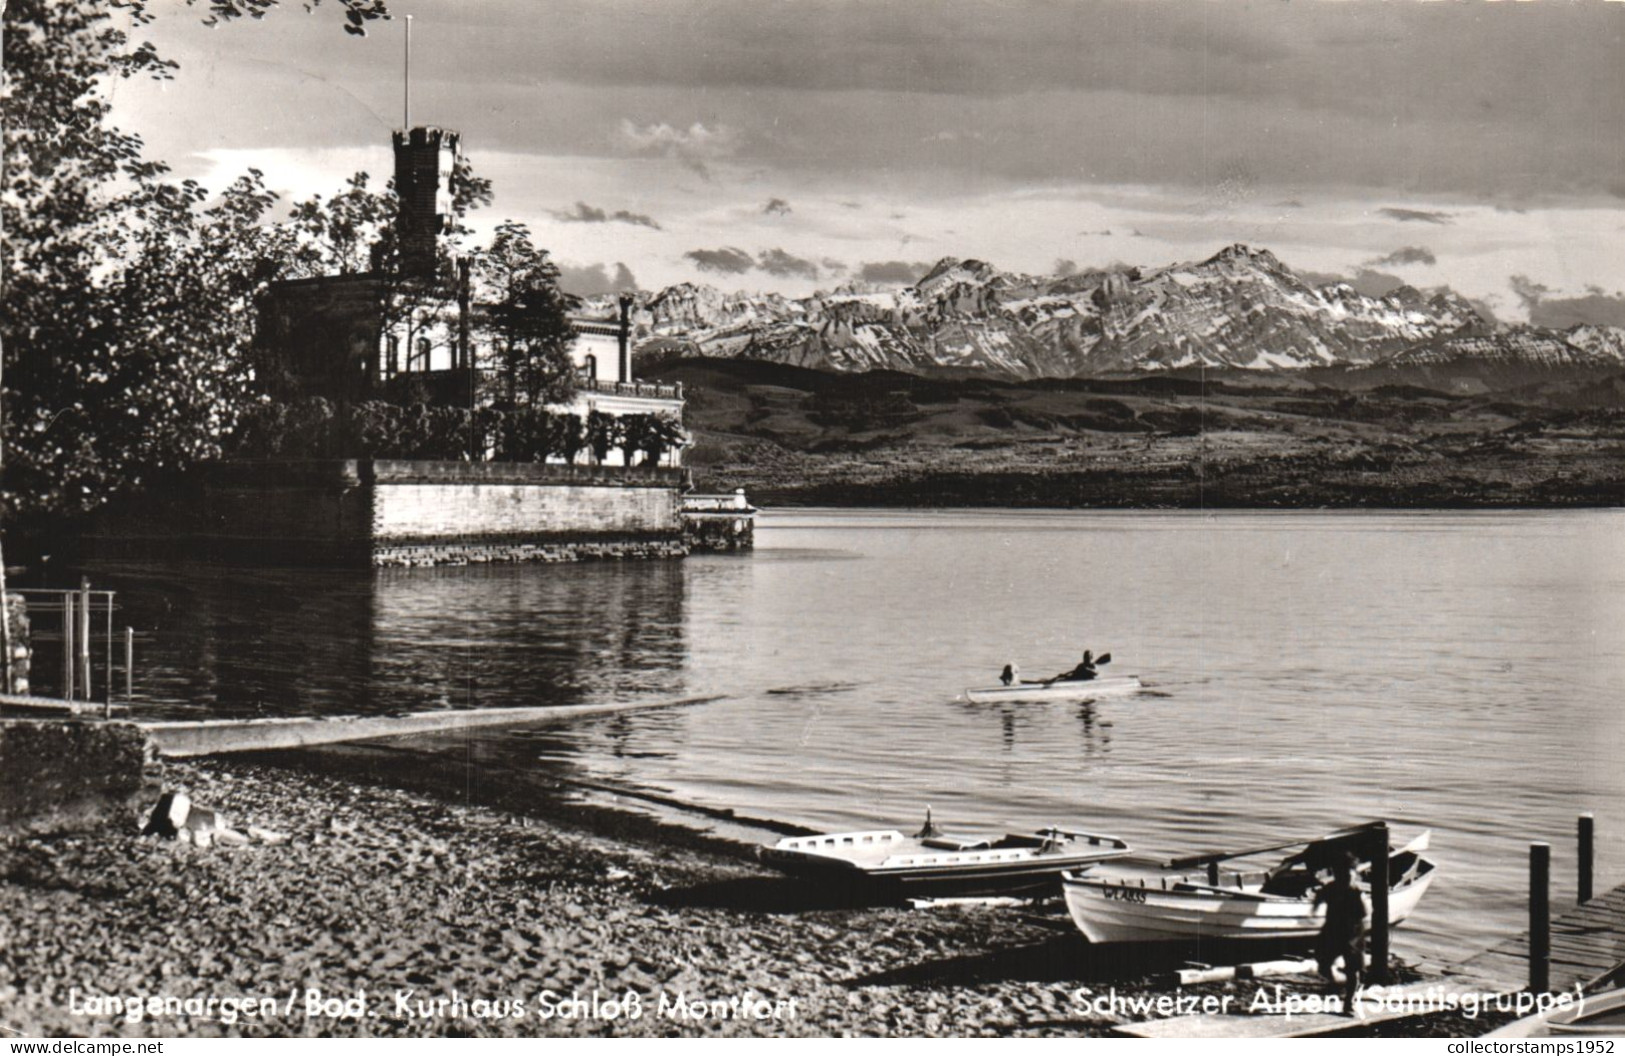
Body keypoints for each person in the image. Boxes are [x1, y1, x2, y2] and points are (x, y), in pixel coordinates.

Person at [1313, 851, 1367, 1014]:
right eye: (1341, 875)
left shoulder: (1357, 893)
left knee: (1353, 970)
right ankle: (1337, 982)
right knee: (1323, 964)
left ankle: (1348, 1003)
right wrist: (1315, 907)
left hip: (1352, 934)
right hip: (1332, 930)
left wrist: (1358, 902)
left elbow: (1364, 913)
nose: (1345, 879)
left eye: (1349, 876)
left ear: (1355, 875)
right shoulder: (1330, 888)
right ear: (1335, 874)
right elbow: (1319, 898)